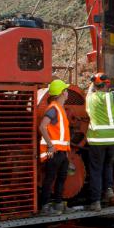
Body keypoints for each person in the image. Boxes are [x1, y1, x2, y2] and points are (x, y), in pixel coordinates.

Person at [84, 73, 114, 211]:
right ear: (107, 85)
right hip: (112, 139)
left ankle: (96, 202)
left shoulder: (89, 98)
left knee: (96, 170)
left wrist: (93, 81)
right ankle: (109, 189)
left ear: (95, 85)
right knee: (108, 165)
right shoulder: (112, 96)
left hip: (96, 140)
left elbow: (90, 90)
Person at [38, 79, 71, 215]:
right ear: (62, 93)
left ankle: (58, 204)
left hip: (62, 152)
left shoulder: (59, 108)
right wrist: (51, 146)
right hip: (54, 152)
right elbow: (42, 126)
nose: (68, 92)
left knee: (62, 177)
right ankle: (45, 207)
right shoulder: (53, 109)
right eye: (66, 90)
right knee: (50, 178)